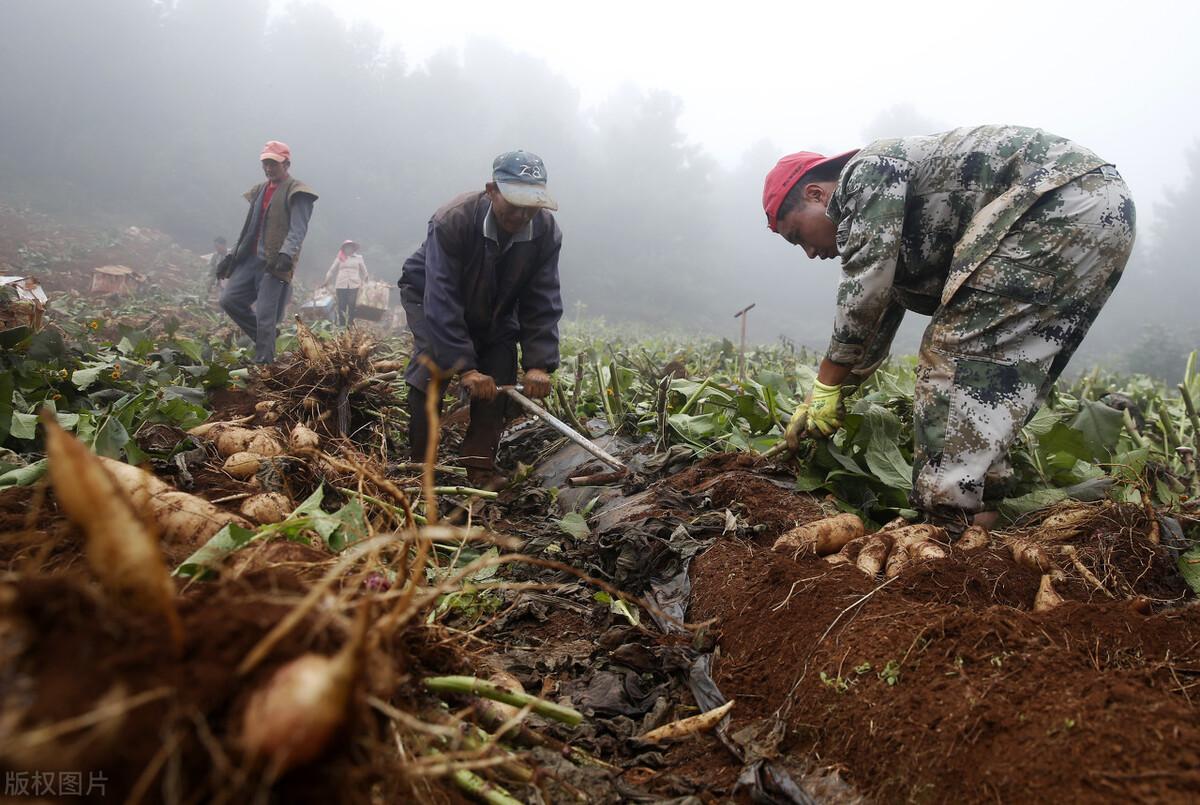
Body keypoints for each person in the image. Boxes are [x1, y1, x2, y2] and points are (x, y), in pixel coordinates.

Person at [763, 125, 1135, 530]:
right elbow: (871, 327)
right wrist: (827, 398)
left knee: (953, 355)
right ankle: (978, 527)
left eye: (798, 236)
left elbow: (864, 288)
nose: (811, 252)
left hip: (1056, 198)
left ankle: (943, 530)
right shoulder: (890, 227)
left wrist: (825, 380)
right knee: (995, 378)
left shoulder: (866, 172)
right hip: (1100, 209)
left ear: (816, 194)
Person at [398, 150, 564, 488]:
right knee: (431, 368)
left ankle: (479, 467)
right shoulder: (453, 219)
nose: (521, 216)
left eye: (531, 206)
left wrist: (539, 363)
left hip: (497, 305)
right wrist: (465, 367)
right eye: (513, 203)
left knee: (499, 375)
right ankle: (420, 467)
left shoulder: (545, 233)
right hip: (429, 293)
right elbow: (441, 296)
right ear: (491, 190)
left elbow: (542, 297)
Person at [218, 140, 318, 363]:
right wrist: (230, 256)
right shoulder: (260, 190)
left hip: (274, 264)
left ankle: (265, 365)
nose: (269, 168)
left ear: (286, 164)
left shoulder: (297, 192)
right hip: (249, 260)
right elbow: (249, 228)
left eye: (274, 163)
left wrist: (287, 253)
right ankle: (267, 338)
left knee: (266, 316)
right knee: (229, 300)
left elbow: (298, 229)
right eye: (266, 163)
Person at [322, 240, 370, 326]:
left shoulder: (359, 258)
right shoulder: (340, 258)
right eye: (346, 247)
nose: (348, 249)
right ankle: (342, 325)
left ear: (353, 248)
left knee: (352, 304)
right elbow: (331, 270)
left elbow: (365, 272)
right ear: (344, 248)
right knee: (342, 305)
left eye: (350, 247)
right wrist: (326, 281)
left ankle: (350, 324)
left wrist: (366, 282)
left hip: (354, 284)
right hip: (341, 284)